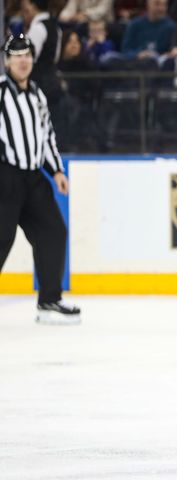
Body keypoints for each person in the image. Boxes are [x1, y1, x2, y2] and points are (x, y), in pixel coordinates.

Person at [0, 34, 81, 325]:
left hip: (34, 177)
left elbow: (47, 137)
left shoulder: (37, 94)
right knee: (1, 238)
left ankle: (49, 300)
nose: (23, 60)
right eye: (17, 55)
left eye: (27, 55)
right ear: (7, 60)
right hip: (5, 177)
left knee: (53, 232)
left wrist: (57, 170)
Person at [22, 0, 62, 104]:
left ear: (33, 6)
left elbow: (27, 58)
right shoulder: (56, 28)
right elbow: (55, 57)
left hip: (38, 85)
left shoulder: (38, 28)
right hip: (52, 82)